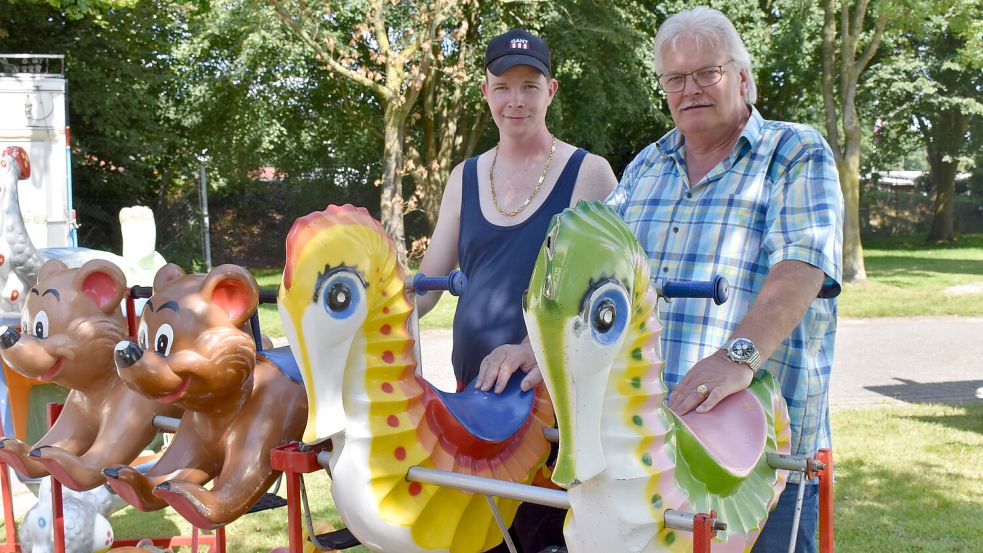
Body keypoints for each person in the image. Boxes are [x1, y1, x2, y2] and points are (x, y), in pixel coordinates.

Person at [605, 8, 843, 553]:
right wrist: (531, 348)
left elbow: (802, 267)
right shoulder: (646, 166)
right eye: (675, 78)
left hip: (760, 467)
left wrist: (737, 358)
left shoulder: (793, 152)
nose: (689, 89)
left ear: (741, 75)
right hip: (653, 456)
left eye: (706, 73)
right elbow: (599, 280)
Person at [416, 28, 617, 553]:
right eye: (503, 86)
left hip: (556, 409)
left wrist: (539, 353)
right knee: (484, 539)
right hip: (476, 404)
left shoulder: (589, 174)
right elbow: (425, 287)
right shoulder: (464, 177)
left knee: (546, 539)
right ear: (486, 91)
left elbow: (607, 303)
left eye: (530, 86)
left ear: (551, 92)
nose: (516, 100)